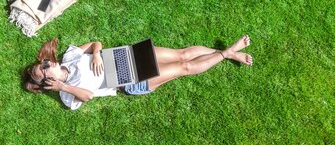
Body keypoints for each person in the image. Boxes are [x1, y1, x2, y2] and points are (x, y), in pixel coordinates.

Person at [23, 36, 253, 110]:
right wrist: (62, 86)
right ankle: (227, 52)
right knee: (185, 68)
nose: (46, 63)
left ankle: (228, 53)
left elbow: (96, 42)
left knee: (181, 54)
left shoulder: (69, 57)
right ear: (47, 81)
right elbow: (88, 96)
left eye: (43, 62)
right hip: (131, 81)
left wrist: (95, 54)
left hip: (130, 57)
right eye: (43, 69)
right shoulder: (66, 95)